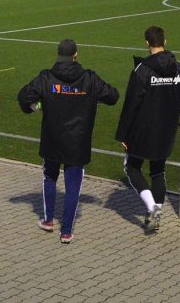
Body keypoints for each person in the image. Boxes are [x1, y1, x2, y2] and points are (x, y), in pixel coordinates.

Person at [17, 39, 120, 244]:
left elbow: (23, 96)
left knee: (50, 178)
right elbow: (113, 96)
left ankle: (48, 220)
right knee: (73, 187)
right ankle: (66, 231)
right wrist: (93, 97)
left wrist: (33, 107)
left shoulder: (46, 77)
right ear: (76, 55)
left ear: (58, 55)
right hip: (78, 142)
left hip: (53, 139)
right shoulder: (89, 78)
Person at [115, 26, 180, 233]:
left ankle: (152, 207)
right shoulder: (179, 67)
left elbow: (132, 103)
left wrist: (124, 133)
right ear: (165, 40)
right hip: (166, 127)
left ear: (147, 43)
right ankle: (158, 211)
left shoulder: (142, 70)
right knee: (158, 170)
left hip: (143, 128)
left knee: (132, 167)